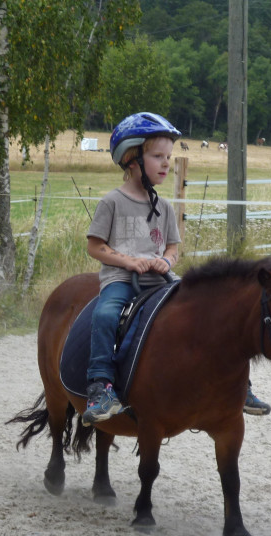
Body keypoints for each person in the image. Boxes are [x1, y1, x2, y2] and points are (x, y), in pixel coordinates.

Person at [81, 112, 182, 426]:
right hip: (122, 279)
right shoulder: (112, 202)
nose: (166, 163)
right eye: (157, 156)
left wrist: (165, 261)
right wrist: (129, 261)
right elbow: (95, 246)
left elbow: (173, 248)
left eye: (169, 157)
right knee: (105, 314)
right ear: (131, 158)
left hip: (160, 279)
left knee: (200, 306)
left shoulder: (164, 207)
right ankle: (100, 385)